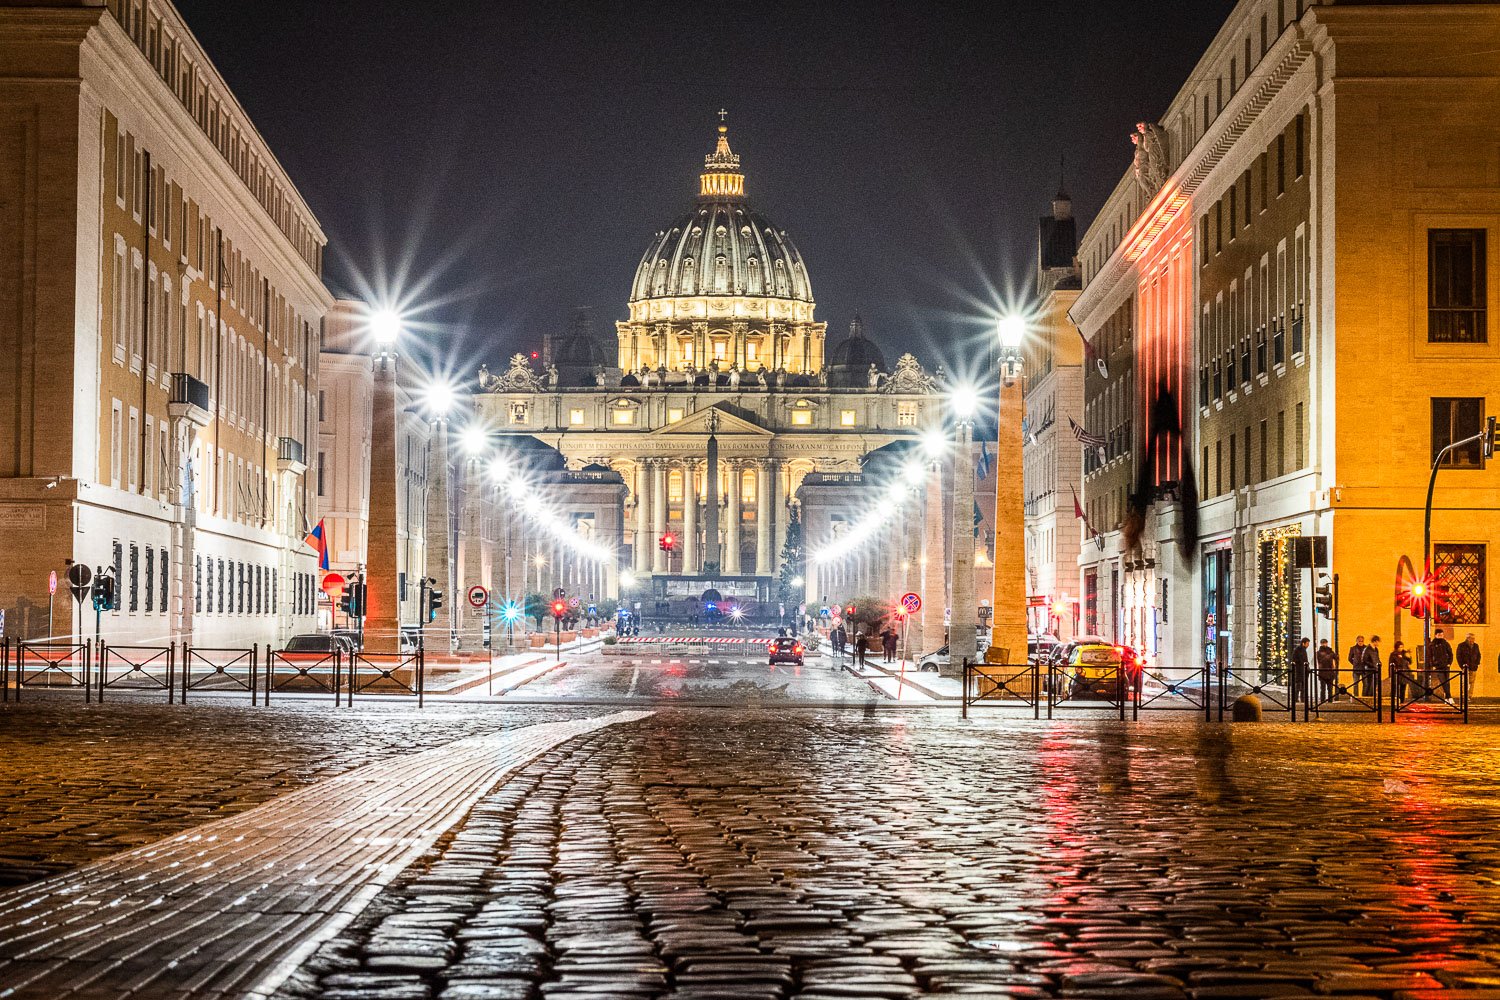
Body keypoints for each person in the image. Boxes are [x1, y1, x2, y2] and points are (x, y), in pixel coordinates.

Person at [1428, 627, 1455, 701]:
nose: (1441, 636)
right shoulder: (1432, 645)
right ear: (1436, 635)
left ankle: (1447, 697)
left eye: (1442, 635)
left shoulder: (1445, 643)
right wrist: (1433, 665)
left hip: (1446, 665)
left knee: (1447, 681)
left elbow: (1450, 654)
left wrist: (1449, 663)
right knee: (1443, 681)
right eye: (1439, 635)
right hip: (1438, 666)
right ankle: (1449, 697)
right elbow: (1430, 656)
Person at [1289, 637, 1311, 705]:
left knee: (1303, 686)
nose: (1308, 645)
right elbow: (1296, 660)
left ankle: (1302, 699)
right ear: (1303, 643)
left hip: (1303, 671)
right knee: (1298, 686)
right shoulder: (1298, 650)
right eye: (1307, 643)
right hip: (1299, 671)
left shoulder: (1303, 650)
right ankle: (1296, 699)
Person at [1314, 639, 1337, 704]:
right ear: (1321, 644)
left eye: (1325, 643)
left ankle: (1330, 700)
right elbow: (1320, 661)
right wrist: (1329, 655)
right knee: (1323, 688)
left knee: (1330, 688)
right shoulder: (1319, 652)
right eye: (1323, 643)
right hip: (1323, 672)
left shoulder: (1330, 651)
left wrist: (1335, 667)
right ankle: (1323, 701)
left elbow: (1337, 658)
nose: (1324, 644)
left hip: (1329, 672)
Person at [1458, 632, 1481, 697]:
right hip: (1465, 667)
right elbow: (1459, 656)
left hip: (1473, 667)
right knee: (1464, 682)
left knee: (1472, 682)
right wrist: (1462, 665)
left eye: (1474, 638)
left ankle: (1469, 696)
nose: (1473, 640)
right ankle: (1464, 696)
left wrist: (1477, 663)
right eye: (1472, 638)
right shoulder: (1461, 645)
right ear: (1468, 638)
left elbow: (1479, 655)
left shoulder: (1476, 646)